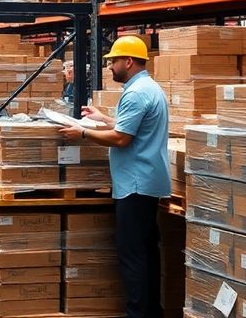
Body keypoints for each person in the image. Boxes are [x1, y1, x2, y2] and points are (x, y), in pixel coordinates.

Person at [58, 36, 169, 318]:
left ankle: (137, 314)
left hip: (135, 185)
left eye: (113, 61)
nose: (109, 67)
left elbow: (121, 138)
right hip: (147, 182)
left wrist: (83, 132)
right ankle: (151, 312)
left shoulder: (135, 93)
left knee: (132, 255)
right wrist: (103, 118)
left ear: (128, 61)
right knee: (146, 252)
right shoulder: (149, 88)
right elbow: (130, 126)